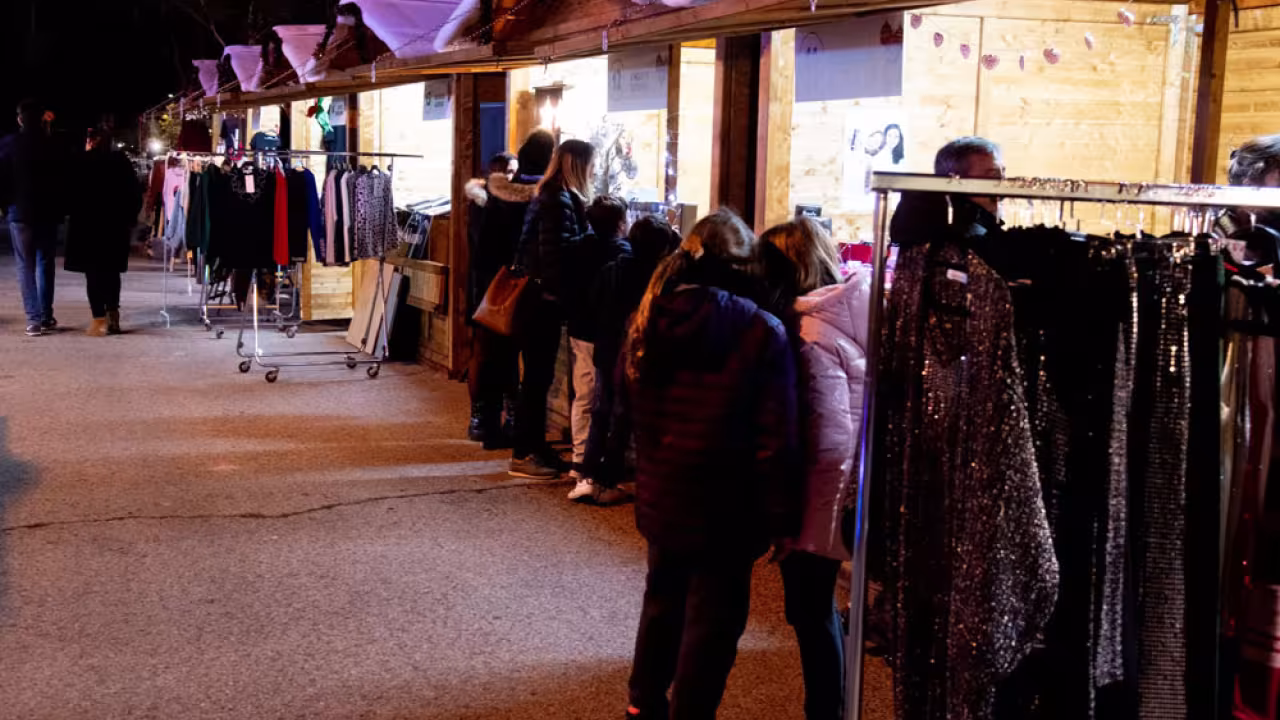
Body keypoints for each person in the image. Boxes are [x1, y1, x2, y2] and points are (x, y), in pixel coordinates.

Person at [620, 209, 800, 720]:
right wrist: (782, 518)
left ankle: (642, 703)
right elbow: (775, 438)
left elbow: (624, 400)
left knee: (662, 602)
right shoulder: (761, 329)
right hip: (729, 505)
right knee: (713, 624)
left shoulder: (647, 316)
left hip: (664, 491)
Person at [760, 217, 870, 720]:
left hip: (821, 496)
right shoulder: (854, 309)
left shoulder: (810, 332)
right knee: (818, 609)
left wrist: (794, 519)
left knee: (810, 612)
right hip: (852, 487)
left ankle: (826, 711)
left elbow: (827, 440)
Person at [508, 139, 598, 480]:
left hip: (537, 298)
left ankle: (535, 447)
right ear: (578, 165)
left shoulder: (550, 195)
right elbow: (555, 256)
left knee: (537, 378)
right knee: (536, 379)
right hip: (541, 301)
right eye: (591, 165)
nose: (593, 171)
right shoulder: (558, 200)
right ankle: (524, 454)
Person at [582, 215, 681, 504]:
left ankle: (588, 474)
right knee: (624, 416)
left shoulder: (612, 269)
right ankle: (609, 479)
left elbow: (592, 303)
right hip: (637, 353)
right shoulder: (660, 280)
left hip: (607, 348)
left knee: (602, 411)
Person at [469, 132, 554, 449]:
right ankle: (521, 428)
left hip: (496, 286)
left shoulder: (495, 197)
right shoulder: (546, 198)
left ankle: (488, 426)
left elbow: (482, 247)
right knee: (532, 366)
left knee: (494, 359)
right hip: (531, 288)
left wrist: (486, 286)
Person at [565, 194, 630, 501]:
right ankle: (597, 462)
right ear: (620, 222)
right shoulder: (623, 254)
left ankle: (579, 459)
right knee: (606, 401)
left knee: (584, 395)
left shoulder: (576, 248)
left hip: (579, 329)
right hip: (608, 335)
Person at [464, 150, 520, 446]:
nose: (513, 177)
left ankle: (486, 419)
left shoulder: (482, 202)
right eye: (509, 171)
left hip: (484, 284)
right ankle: (486, 418)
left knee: (491, 353)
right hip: (494, 285)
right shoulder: (489, 204)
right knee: (490, 352)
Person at [64, 127, 143, 336]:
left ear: (92, 141)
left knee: (92, 274)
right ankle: (113, 314)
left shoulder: (81, 161)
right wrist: (130, 218)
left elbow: (69, 193)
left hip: (87, 226)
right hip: (114, 226)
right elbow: (135, 194)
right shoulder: (121, 161)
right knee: (111, 272)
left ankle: (98, 319)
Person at [0, 99, 65, 336]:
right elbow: (63, 179)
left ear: (20, 119)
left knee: (25, 265)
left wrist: (5, 206)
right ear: (41, 119)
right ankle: (46, 315)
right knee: (45, 263)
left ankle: (33, 319)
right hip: (48, 212)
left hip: (20, 213)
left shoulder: (8, 144)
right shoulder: (54, 144)